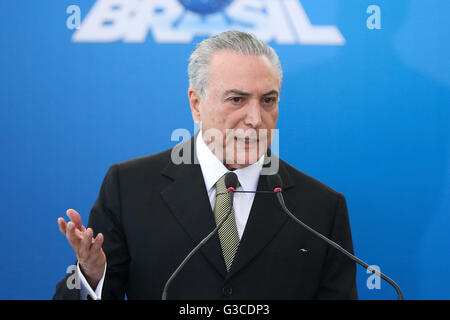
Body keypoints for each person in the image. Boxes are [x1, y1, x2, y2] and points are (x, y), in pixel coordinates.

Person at [54, 31, 357, 300]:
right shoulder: (129, 187)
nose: (255, 118)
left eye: (268, 100)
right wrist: (91, 275)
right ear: (196, 104)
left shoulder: (321, 208)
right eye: (237, 99)